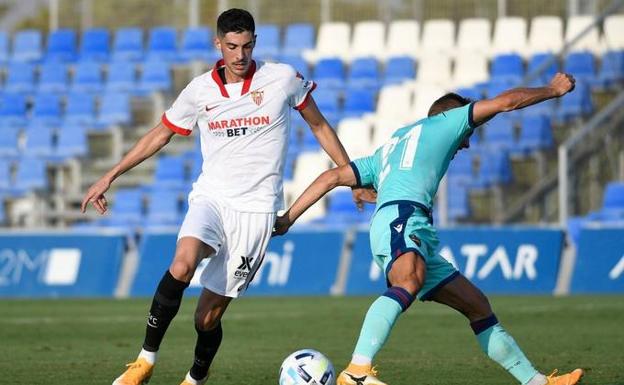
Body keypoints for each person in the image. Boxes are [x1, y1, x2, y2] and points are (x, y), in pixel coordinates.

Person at [81, 8, 373, 385]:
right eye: (232, 46)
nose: (240, 55)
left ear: (256, 43)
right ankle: (144, 360)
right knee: (183, 264)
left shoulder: (281, 78)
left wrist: (352, 176)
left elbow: (318, 125)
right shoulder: (200, 90)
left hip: (256, 212)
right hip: (212, 199)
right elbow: (160, 134)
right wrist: (110, 175)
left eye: (247, 46)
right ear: (218, 44)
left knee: (206, 318)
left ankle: (195, 377)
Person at [273, 73, 584, 385]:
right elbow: (505, 103)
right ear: (452, 115)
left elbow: (331, 178)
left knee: (477, 306)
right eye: (467, 135)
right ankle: (357, 370)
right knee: (408, 280)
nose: (466, 143)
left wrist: (289, 218)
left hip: (405, 223)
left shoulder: (393, 145)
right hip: (403, 218)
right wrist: (553, 90)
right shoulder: (446, 123)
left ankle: (537, 382)